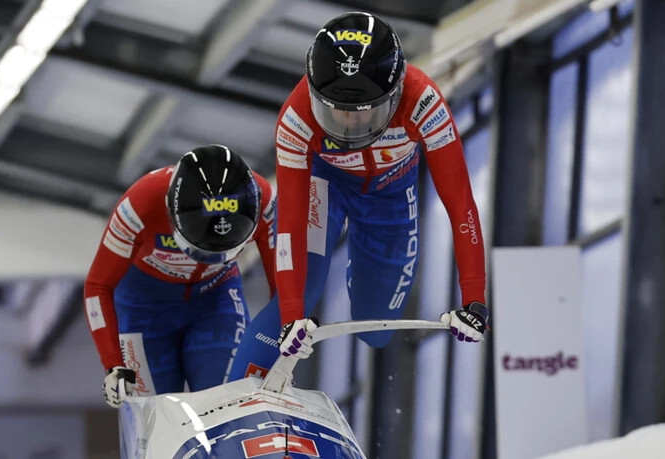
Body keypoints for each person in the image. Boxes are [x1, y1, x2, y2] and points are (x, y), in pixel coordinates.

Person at [230, 12, 488, 379]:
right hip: (325, 186)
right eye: (336, 111)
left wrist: (474, 300)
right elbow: (289, 224)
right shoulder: (296, 118)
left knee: (375, 329)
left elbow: (460, 204)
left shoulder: (424, 102)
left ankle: (362, 265)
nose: (350, 124)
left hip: (390, 198)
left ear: (396, 93)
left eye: (365, 112)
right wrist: (291, 316)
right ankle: (233, 403)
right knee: (301, 293)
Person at [84, 144, 276, 407]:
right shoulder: (138, 204)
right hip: (142, 309)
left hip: (215, 301)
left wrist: (281, 339)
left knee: (226, 404)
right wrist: (113, 363)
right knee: (155, 416)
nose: (207, 256)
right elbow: (97, 285)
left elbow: (285, 283)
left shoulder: (263, 200)